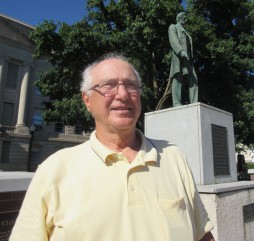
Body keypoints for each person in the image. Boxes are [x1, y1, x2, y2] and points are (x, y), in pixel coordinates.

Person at [10, 53, 214, 241]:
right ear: (87, 100)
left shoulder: (173, 157)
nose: (123, 94)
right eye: (109, 85)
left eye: (131, 85)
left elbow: (203, 235)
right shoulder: (54, 169)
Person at [168, 12, 198, 107]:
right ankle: (176, 102)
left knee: (194, 79)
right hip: (179, 56)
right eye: (184, 17)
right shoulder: (173, 27)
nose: (186, 19)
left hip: (188, 59)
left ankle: (194, 103)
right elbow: (173, 40)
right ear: (179, 19)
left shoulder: (186, 31)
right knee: (177, 77)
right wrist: (181, 51)